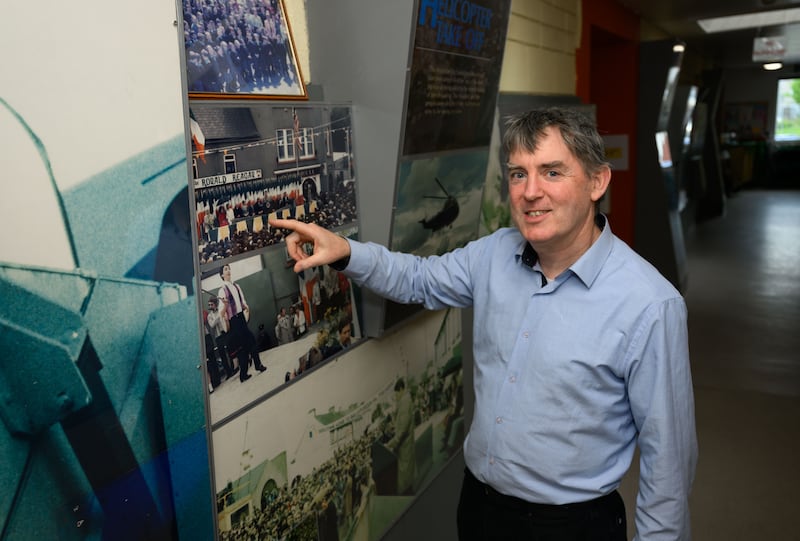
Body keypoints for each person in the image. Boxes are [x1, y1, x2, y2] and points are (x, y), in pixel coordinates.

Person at [269, 107, 697, 540]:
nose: (530, 192)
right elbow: (419, 279)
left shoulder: (649, 304)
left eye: (552, 172)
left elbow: (668, 461)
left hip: (571, 526)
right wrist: (345, 250)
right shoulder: (494, 254)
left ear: (597, 181)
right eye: (518, 174)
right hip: (481, 508)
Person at [217, 263, 266, 381]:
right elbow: (221, 314)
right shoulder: (222, 291)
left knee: (248, 344)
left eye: (229, 268)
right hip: (234, 322)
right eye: (225, 269)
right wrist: (225, 305)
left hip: (241, 318)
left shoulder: (237, 286)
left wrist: (246, 307)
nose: (228, 270)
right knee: (244, 346)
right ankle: (252, 368)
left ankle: (246, 373)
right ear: (222, 275)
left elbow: (242, 302)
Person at [386, 377, 416, 496]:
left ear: (401, 389)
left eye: (396, 394)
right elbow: (403, 424)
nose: (396, 397)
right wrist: (395, 427)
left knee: (405, 477)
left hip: (404, 446)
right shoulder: (406, 400)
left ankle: (408, 496)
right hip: (406, 443)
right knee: (407, 474)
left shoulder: (404, 403)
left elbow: (402, 431)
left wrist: (390, 444)